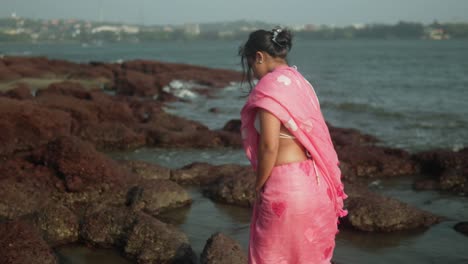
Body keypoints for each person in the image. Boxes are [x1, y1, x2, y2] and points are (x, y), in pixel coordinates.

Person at [239, 28, 348, 264]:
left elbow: (269, 145)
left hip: (285, 188)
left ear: (259, 56)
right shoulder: (301, 83)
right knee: (307, 257)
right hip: (314, 183)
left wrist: (257, 186)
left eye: (250, 64)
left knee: (270, 256)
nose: (253, 73)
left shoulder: (270, 87)